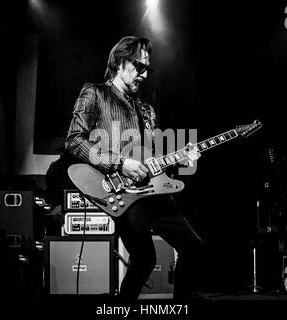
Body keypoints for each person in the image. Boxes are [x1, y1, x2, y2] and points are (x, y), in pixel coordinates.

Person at [65, 36, 205, 302]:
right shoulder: (94, 93)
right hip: (121, 193)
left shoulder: (146, 109)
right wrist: (119, 162)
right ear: (119, 61)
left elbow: (149, 159)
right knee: (145, 259)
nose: (143, 73)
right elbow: (74, 140)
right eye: (138, 66)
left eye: (147, 69)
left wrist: (180, 160)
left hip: (152, 189)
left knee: (194, 248)